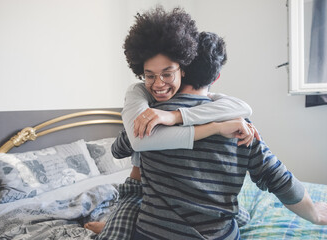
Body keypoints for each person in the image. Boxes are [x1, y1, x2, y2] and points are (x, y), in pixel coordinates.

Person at [112, 32, 327, 239]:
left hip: (153, 233)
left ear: (181, 69)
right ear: (217, 76)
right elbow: (277, 177)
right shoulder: (241, 125)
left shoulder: (149, 118)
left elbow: (119, 148)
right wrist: (314, 214)